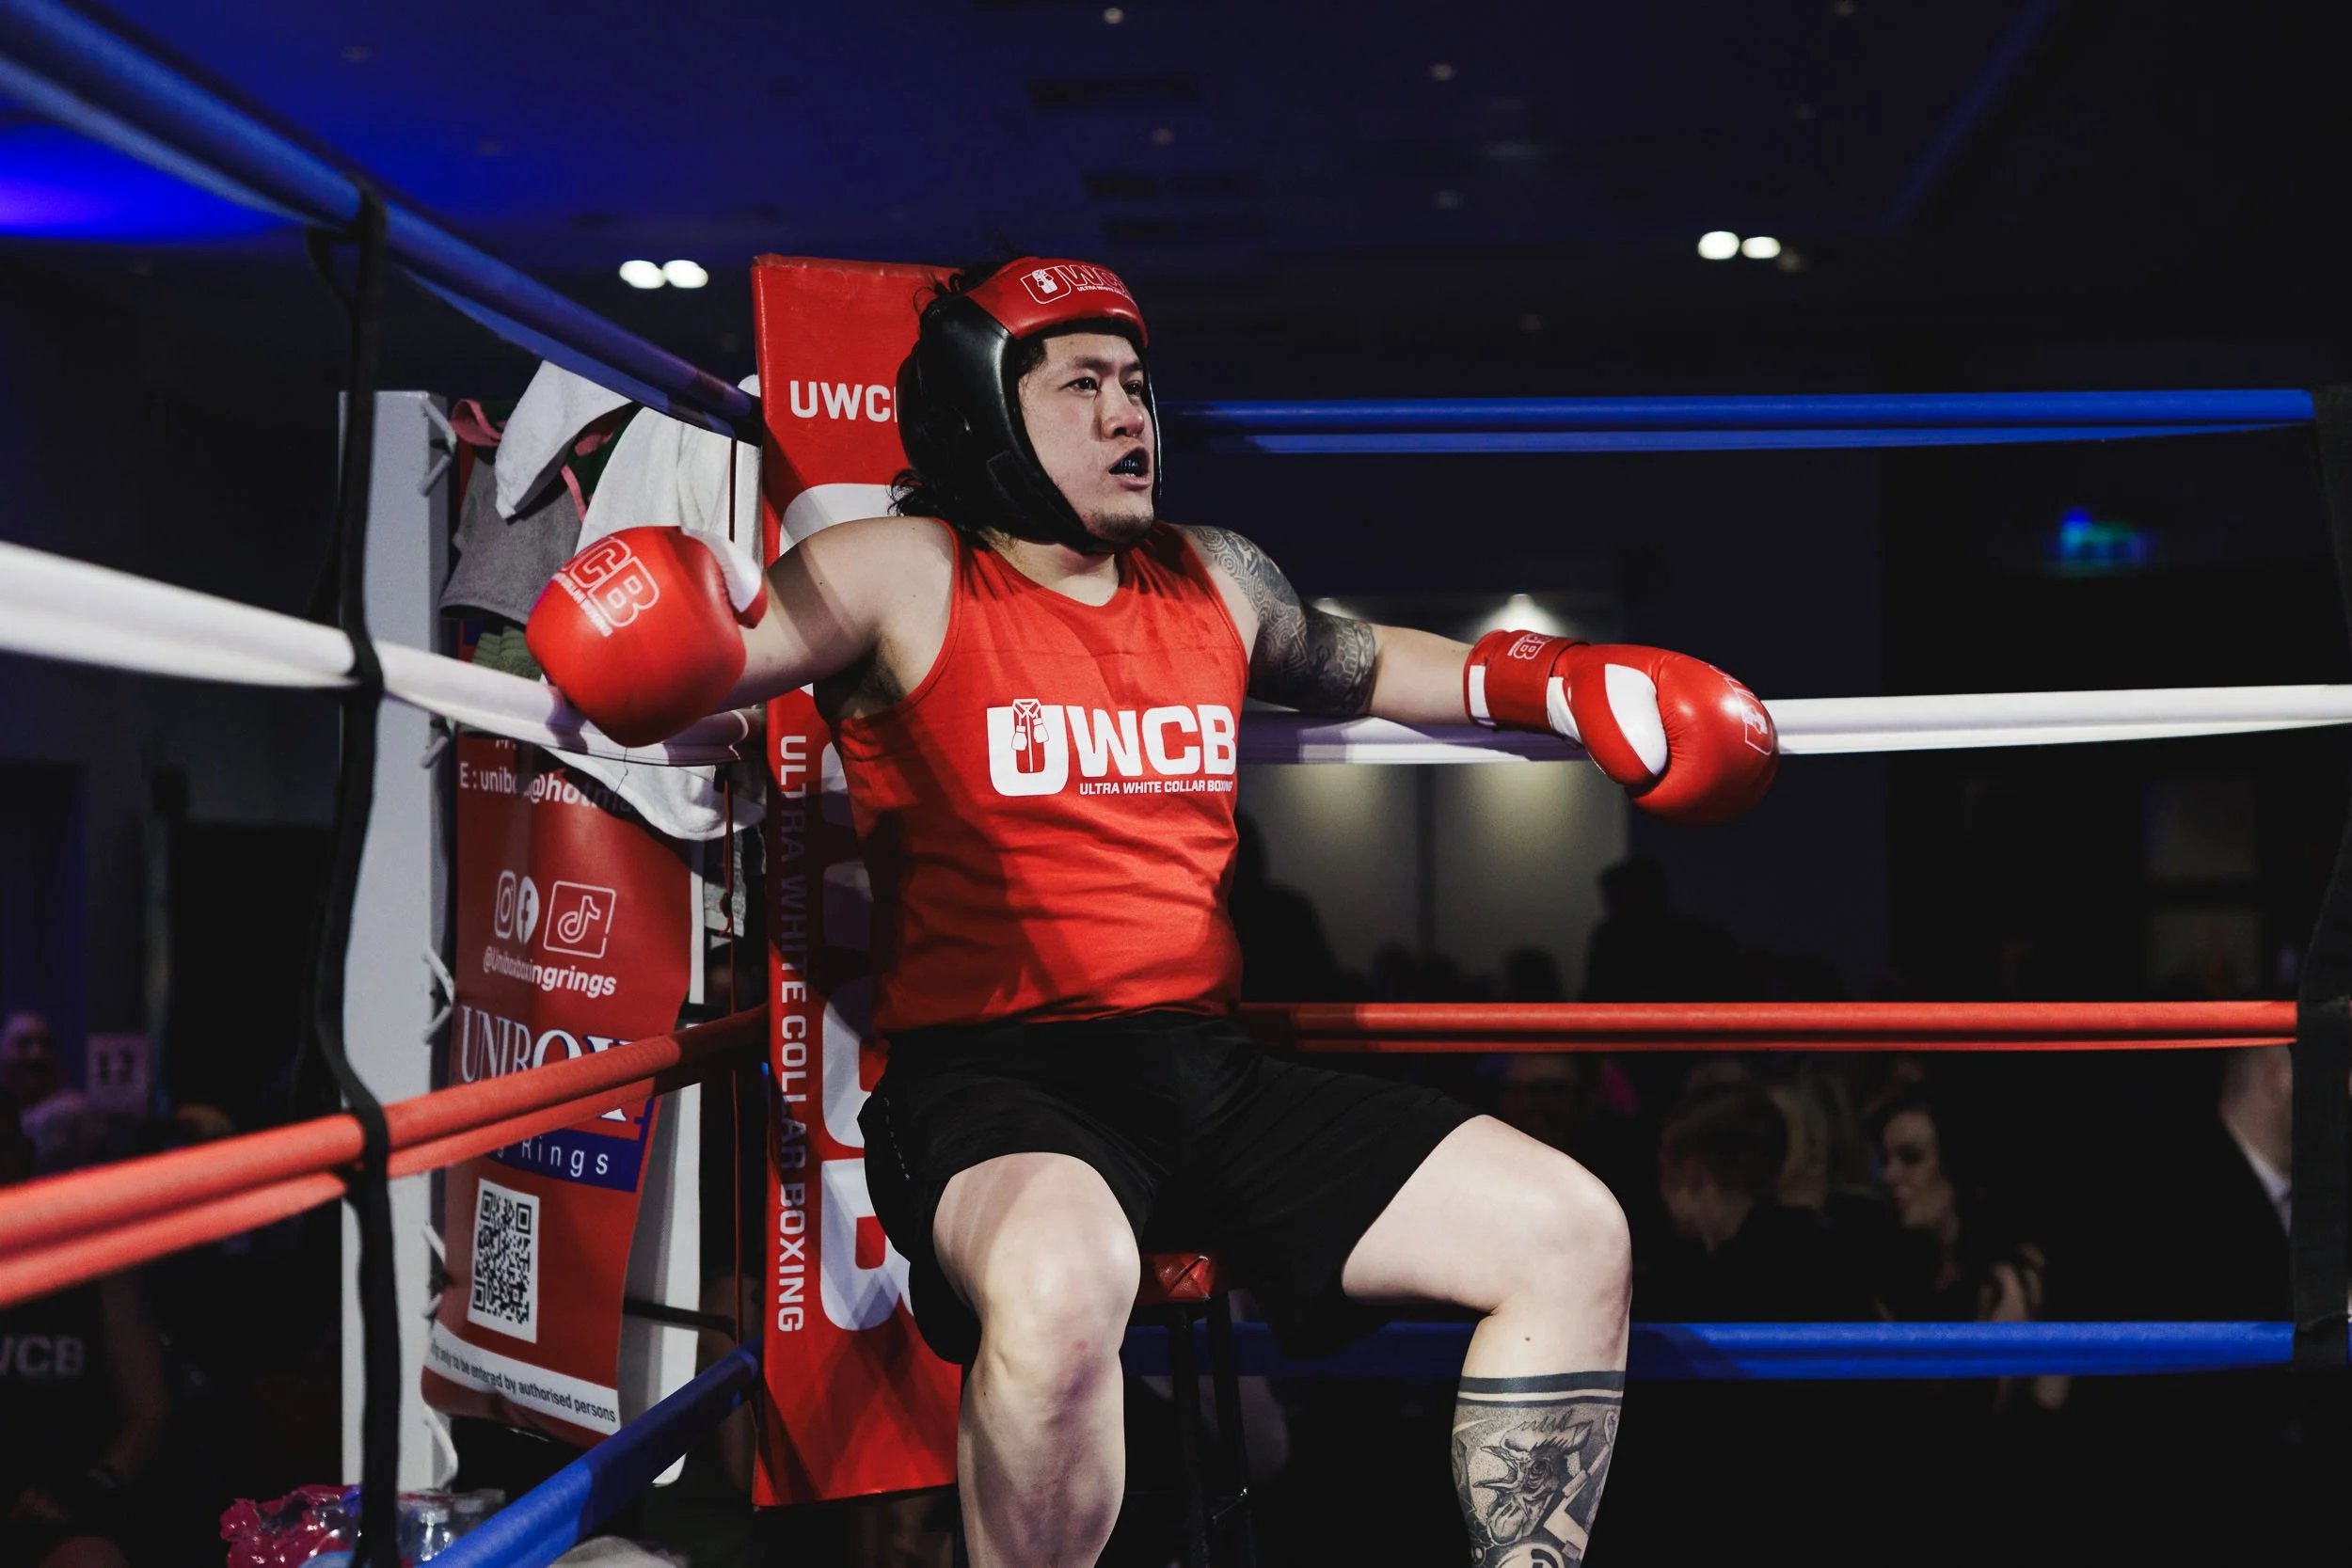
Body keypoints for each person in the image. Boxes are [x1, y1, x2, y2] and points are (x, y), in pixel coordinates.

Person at [527, 256, 1777, 1566]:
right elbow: (709, 653)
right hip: (989, 1087)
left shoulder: (1218, 578)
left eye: (1136, 383)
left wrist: (1563, 681)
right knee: (1062, 1279)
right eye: (1084, 386)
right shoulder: (902, 570)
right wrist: (635, 615)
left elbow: (1366, 659)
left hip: (1204, 1074)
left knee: (1571, 1228)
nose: (1131, 415)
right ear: (984, 412)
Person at [0, 1090, 169, 1568]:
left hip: (67, 1507)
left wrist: (91, 1486)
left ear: (25, 1154)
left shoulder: (92, 1259)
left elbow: (149, 1411)